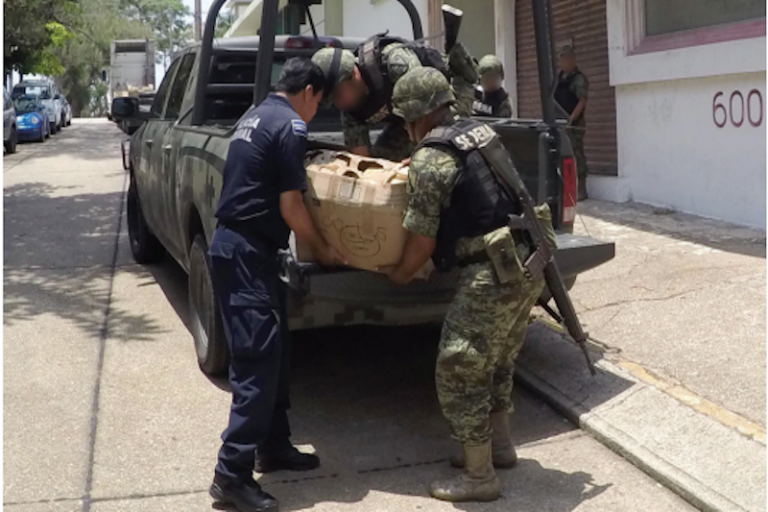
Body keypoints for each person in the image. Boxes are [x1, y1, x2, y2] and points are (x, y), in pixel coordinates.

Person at [382, 67, 553, 502]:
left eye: (406, 118)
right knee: (496, 360)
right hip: (528, 259)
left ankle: (479, 479)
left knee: (459, 367)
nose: (405, 126)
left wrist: (399, 273)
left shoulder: (430, 157)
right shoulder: (476, 132)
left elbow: (421, 242)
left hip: (488, 270)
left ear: (419, 115)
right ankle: (499, 448)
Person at [208, 57, 346, 512]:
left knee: (277, 349)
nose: (315, 112)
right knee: (257, 363)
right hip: (247, 252)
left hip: (242, 250)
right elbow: (291, 206)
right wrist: (324, 250)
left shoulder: (256, 114)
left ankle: (275, 444)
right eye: (319, 102)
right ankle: (231, 476)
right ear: (308, 91)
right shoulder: (291, 126)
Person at [311, 37, 477, 162]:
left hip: (444, 102)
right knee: (381, 161)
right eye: (333, 102)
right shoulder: (350, 111)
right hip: (408, 122)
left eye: (338, 95)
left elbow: (428, 108)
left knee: (436, 163)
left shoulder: (395, 63)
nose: (339, 104)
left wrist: (419, 159)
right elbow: (362, 161)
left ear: (353, 74)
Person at [555, 45, 589, 201]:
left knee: (576, 155)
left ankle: (581, 189)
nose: (564, 62)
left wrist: (571, 119)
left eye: (568, 58)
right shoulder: (558, 78)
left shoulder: (579, 79)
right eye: (562, 59)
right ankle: (564, 188)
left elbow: (582, 101)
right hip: (559, 122)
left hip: (573, 124)